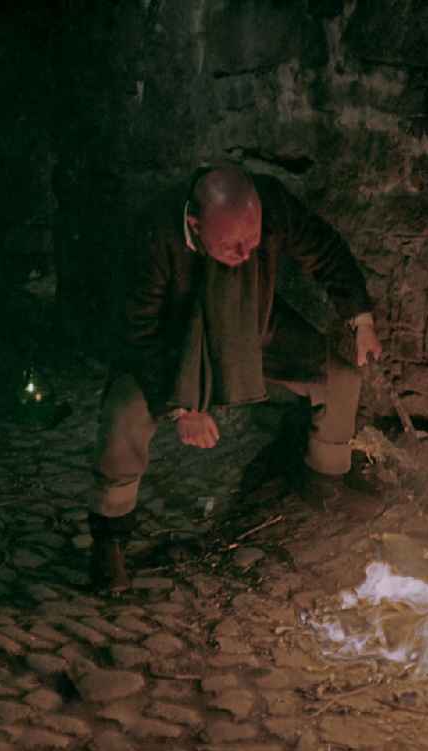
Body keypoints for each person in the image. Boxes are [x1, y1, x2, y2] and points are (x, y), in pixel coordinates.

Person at [86, 165, 383, 592]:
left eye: (254, 242)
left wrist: (361, 318)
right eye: (232, 247)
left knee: (338, 377)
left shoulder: (272, 204)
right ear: (194, 224)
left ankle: (325, 479)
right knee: (124, 416)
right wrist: (182, 407)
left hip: (251, 324)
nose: (247, 255)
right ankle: (109, 537)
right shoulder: (154, 233)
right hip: (172, 342)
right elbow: (139, 333)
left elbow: (324, 250)